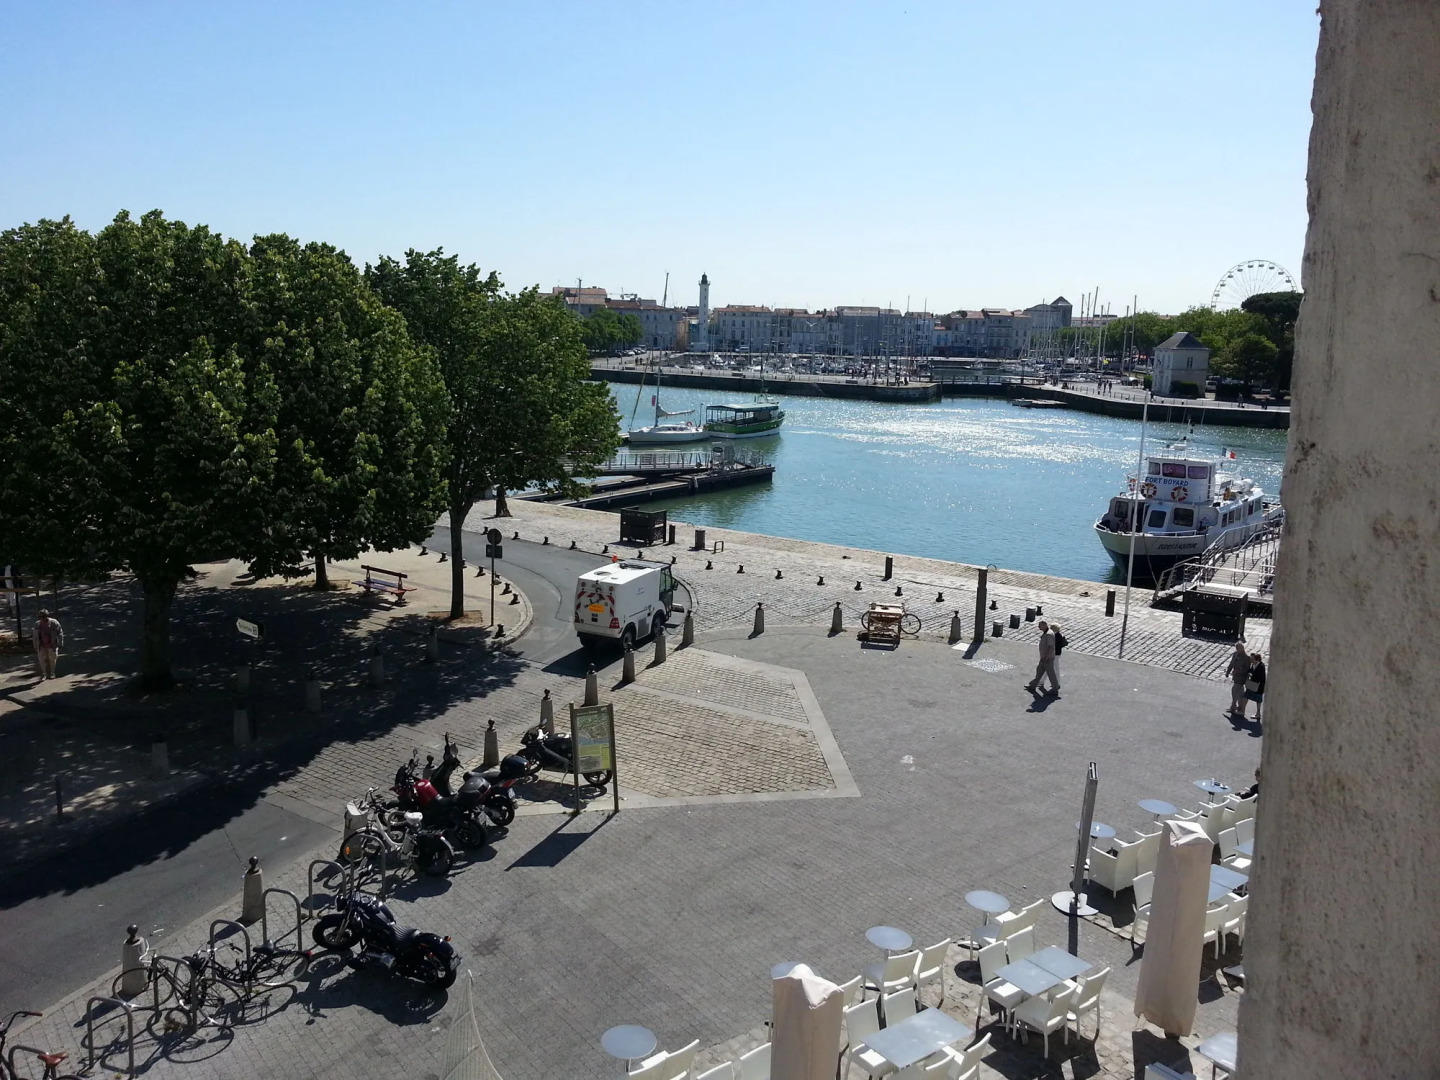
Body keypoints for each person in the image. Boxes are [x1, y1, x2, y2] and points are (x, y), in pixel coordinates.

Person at [1025, 620, 1060, 696]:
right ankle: (1032, 686)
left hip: (1047, 658)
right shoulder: (1047, 633)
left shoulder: (1049, 634)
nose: (1039, 627)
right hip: (1044, 657)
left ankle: (1055, 689)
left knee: (1051, 673)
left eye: (1040, 626)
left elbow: (1051, 647)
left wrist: (1047, 657)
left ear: (1044, 625)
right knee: (1039, 671)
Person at [34, 608, 63, 679]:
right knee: (42, 660)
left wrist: (60, 642)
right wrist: (35, 645)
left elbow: (60, 633)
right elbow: (35, 636)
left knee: (52, 659)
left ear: (47, 616)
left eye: (43, 616)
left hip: (52, 645)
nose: (42, 619)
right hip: (41, 645)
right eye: (40, 617)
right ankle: (44, 674)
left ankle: (52, 672)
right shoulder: (37, 624)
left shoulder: (54, 623)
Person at [1225, 639, 1250, 715]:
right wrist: (1228, 672)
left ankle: (1234, 706)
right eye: (1237, 649)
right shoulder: (1235, 654)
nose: (1238, 650)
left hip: (1241, 678)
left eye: (1239, 649)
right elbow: (1231, 664)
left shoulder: (1246, 658)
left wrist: (1239, 671)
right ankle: (1239, 708)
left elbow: (1247, 669)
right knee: (1240, 693)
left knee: (1235, 691)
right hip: (1236, 677)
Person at [1246, 652, 1267, 719]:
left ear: (1257, 660)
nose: (1251, 660)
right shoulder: (1254, 664)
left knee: (1258, 700)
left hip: (1259, 686)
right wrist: (1249, 673)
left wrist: (1251, 676)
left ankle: (1258, 714)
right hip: (1253, 685)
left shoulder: (1261, 666)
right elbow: (1251, 670)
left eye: (1252, 659)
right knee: (1245, 695)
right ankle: (1241, 709)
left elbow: (1259, 677)